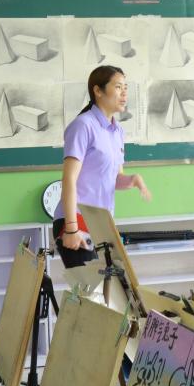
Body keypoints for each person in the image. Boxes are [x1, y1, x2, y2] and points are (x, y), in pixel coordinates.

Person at [54, 66, 151, 267]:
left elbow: (114, 179)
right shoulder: (83, 125)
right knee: (88, 286)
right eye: (118, 87)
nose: (124, 93)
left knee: (106, 285)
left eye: (125, 87)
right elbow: (69, 179)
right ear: (98, 91)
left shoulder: (118, 132)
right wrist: (71, 229)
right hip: (76, 220)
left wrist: (133, 180)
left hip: (101, 224)